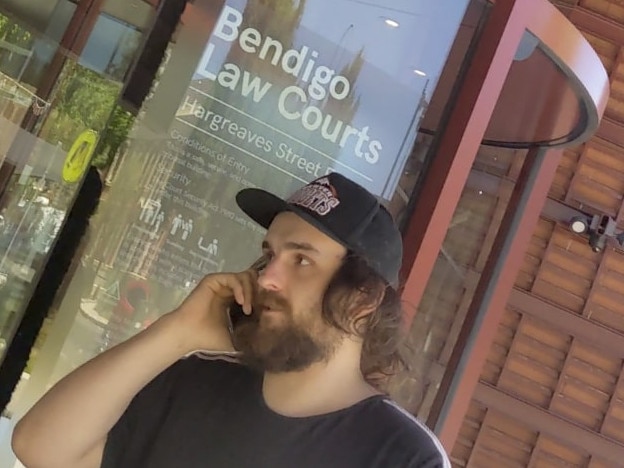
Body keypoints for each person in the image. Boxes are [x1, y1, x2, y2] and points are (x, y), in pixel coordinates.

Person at [12, 173, 450, 468]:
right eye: (269, 255)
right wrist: (177, 333)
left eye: (301, 260)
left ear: (363, 298)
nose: (268, 277)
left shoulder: (402, 456)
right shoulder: (192, 382)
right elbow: (39, 448)